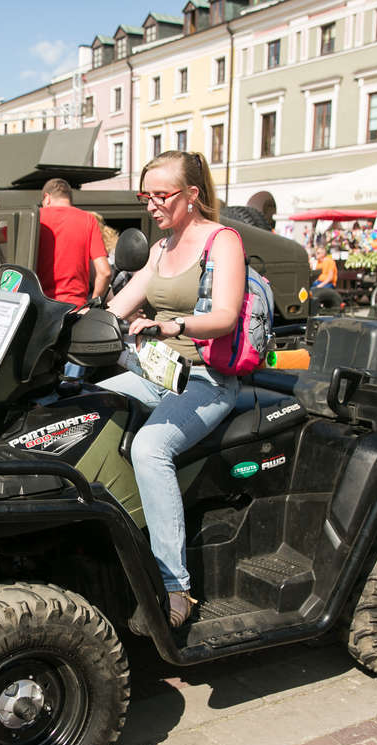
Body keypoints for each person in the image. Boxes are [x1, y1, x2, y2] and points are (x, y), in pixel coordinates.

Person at [103, 151, 244, 628]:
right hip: (154, 372)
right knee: (89, 402)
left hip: (207, 378)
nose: (152, 205)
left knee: (150, 447)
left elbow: (224, 316)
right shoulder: (160, 249)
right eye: (147, 195)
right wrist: (64, 320)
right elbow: (118, 308)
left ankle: (174, 586)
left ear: (192, 195)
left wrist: (172, 326)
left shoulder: (222, 242)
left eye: (161, 195)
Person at [36, 178, 111, 306]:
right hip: (75, 308)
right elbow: (105, 272)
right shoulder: (88, 219)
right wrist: (93, 304)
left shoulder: (36, 217)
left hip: (39, 307)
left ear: (47, 198)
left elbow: (0, 238)